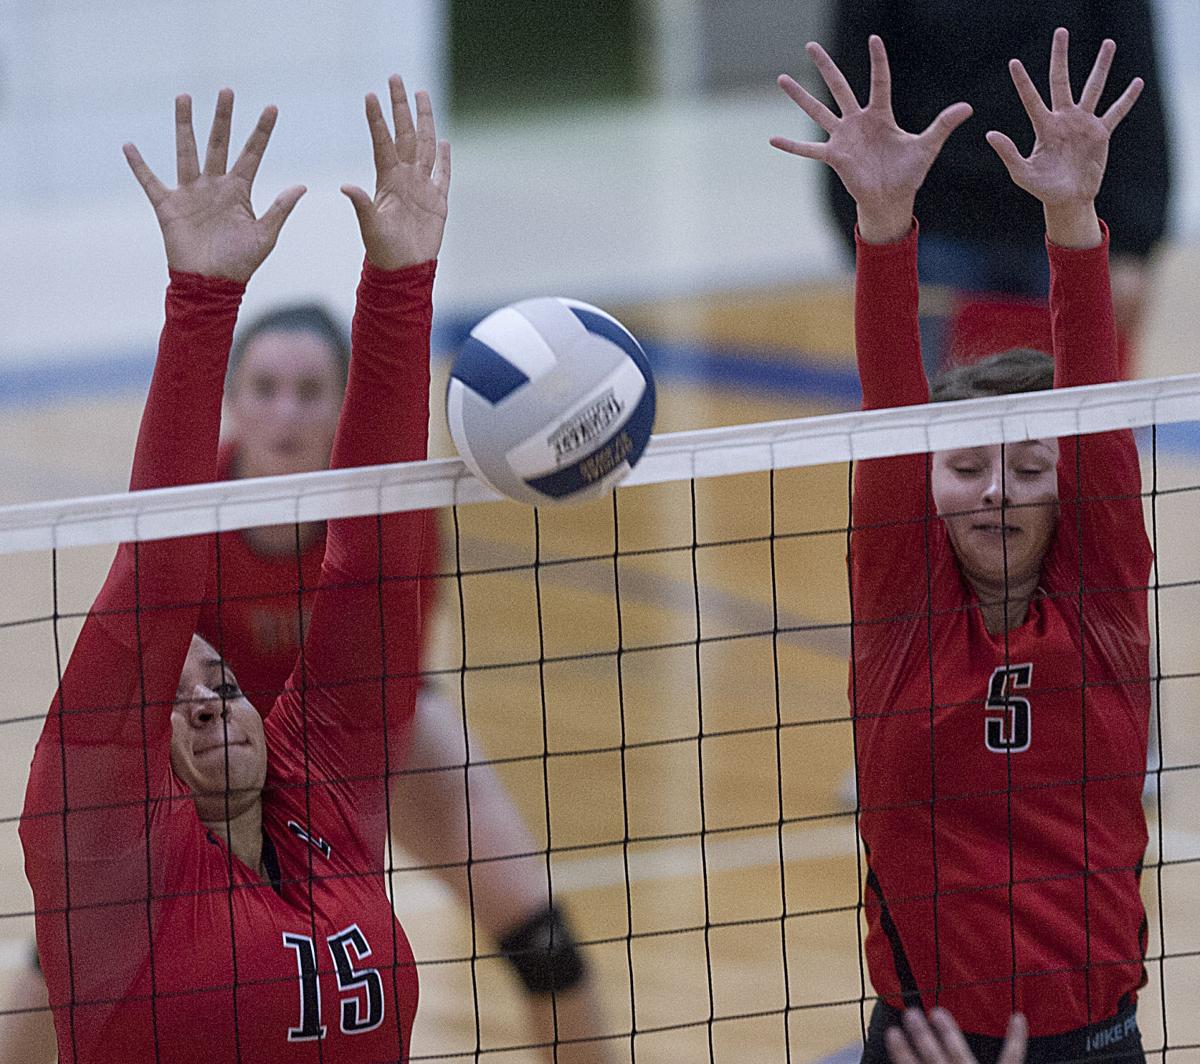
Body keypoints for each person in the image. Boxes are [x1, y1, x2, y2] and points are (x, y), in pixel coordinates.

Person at [20, 76, 447, 1062]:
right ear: (134, 752)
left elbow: (374, 558)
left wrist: (401, 284)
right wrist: (202, 299)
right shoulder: (106, 855)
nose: (211, 703)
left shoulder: (322, 797)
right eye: (178, 700)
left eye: (220, 685)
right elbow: (158, 571)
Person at [773, 27, 1151, 1064]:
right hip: (923, 1043)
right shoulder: (903, 615)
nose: (995, 488)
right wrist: (885, 224)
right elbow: (894, 408)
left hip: (1095, 1046)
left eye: (1030, 467)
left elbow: (1099, 428)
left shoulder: (1106, 609)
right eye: (967, 465)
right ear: (927, 481)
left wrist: (1072, 218)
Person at [821, 0, 1171, 375]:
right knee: (932, 418)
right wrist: (868, 242)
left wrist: (1134, 246)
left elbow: (1137, 89)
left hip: (1070, 220)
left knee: (1080, 412)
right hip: (934, 232)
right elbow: (854, 100)